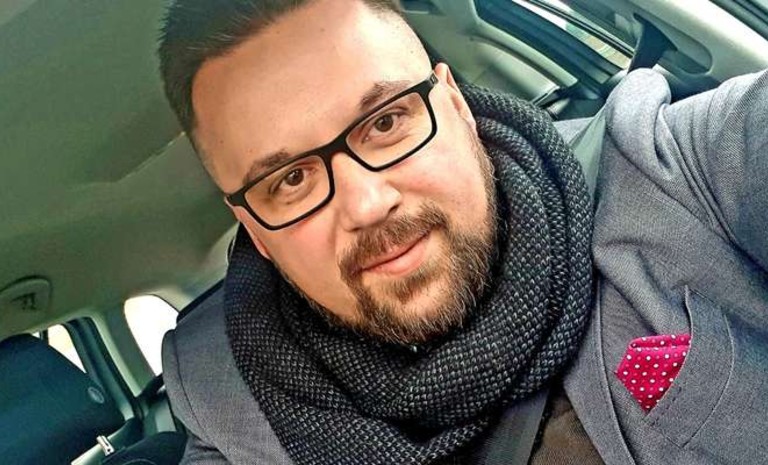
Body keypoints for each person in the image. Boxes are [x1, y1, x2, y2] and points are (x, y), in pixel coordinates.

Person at [157, 0, 768, 463]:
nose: (367, 203)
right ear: (255, 231)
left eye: (386, 122)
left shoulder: (674, 166)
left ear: (455, 106)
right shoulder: (225, 392)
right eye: (291, 180)